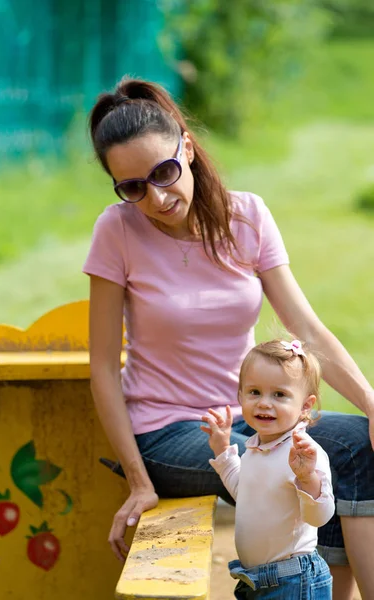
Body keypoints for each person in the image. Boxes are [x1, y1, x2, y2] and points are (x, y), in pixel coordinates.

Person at [83, 76, 374, 600]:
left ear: (187, 149)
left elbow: (305, 329)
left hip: (251, 414)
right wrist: (138, 480)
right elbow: (103, 366)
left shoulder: (248, 216)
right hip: (170, 432)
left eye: (164, 172)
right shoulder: (117, 230)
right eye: (133, 187)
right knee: (284, 468)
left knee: (353, 445)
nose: (157, 196)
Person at [201, 338, 334, 599]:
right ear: (240, 395)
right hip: (255, 580)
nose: (264, 403)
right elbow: (244, 493)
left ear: (305, 406)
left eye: (280, 394)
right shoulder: (256, 448)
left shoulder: (303, 453)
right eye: (254, 392)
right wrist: (222, 449)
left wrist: (307, 479)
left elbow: (320, 517)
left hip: (293, 581)